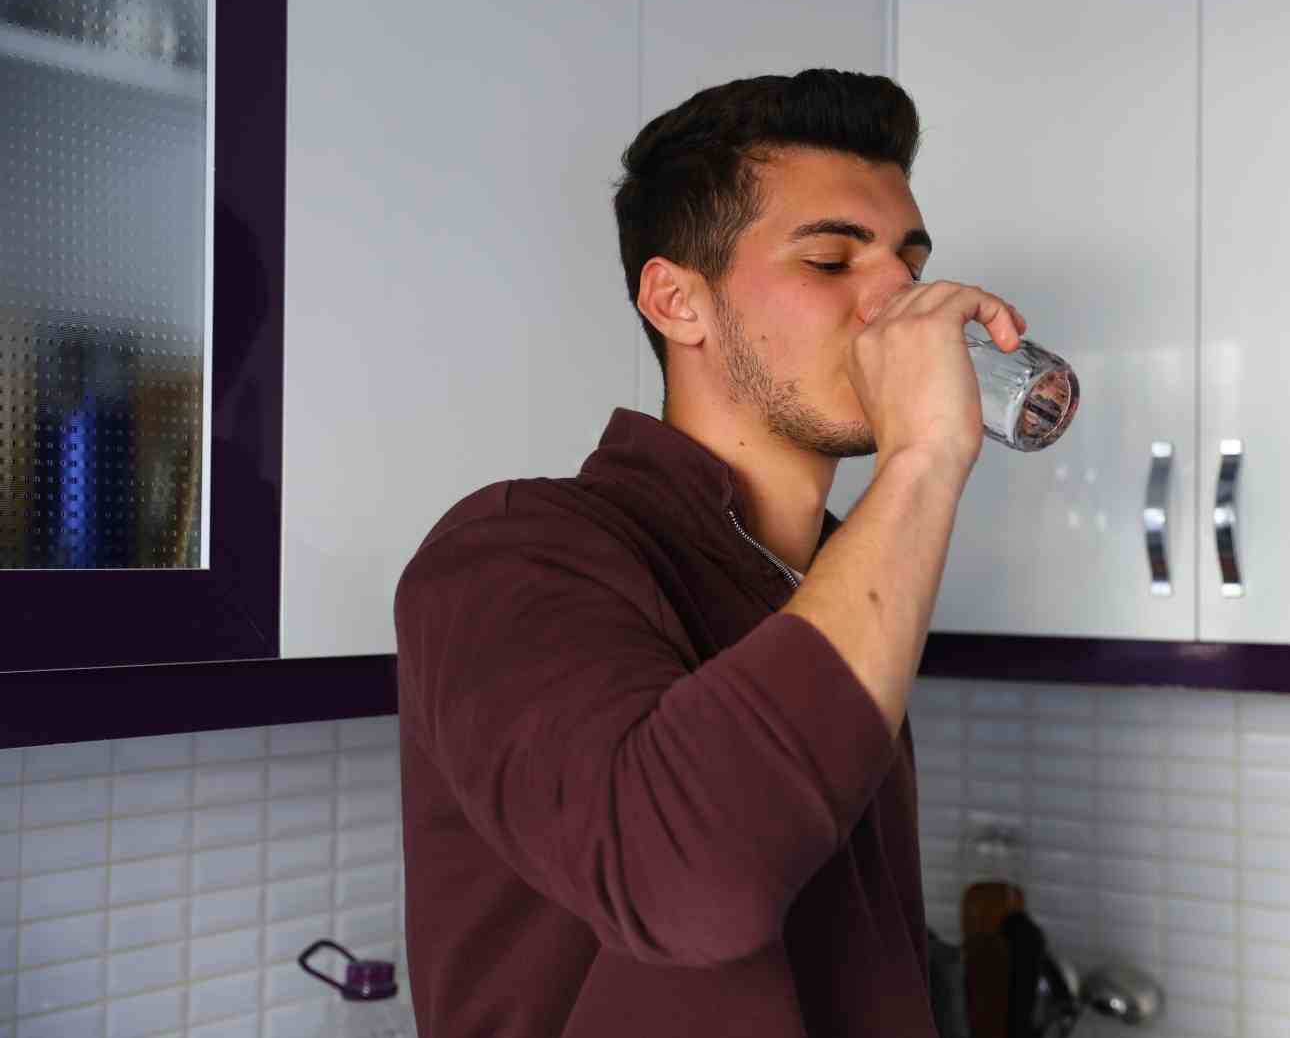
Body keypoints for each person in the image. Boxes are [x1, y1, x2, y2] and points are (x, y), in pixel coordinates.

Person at [393, 67, 1027, 1038]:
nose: (899, 301)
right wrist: (925, 456)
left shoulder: (849, 575)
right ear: (676, 302)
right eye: (831, 261)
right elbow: (686, 887)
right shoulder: (510, 553)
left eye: (909, 263)